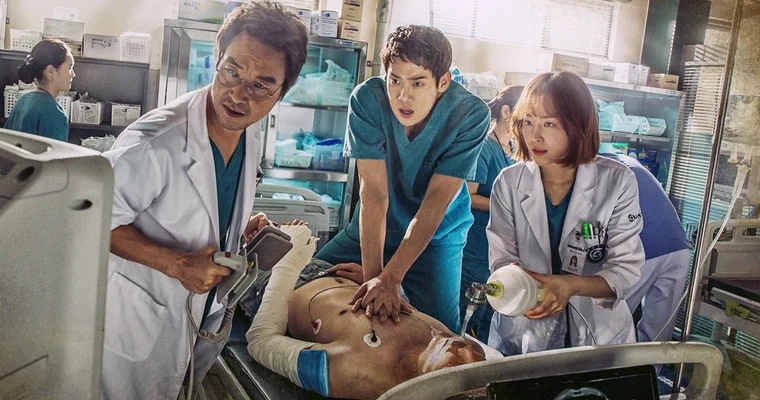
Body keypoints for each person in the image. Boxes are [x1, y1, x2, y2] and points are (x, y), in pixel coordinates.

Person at [100, 3, 308, 399]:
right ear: (217, 59)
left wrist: (237, 225)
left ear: (282, 91)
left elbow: (204, 203)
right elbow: (91, 220)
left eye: (261, 86)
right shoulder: (154, 142)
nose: (238, 95)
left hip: (197, 319)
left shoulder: (249, 132)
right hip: (136, 322)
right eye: (232, 71)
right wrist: (176, 264)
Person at [315, 25, 490, 333]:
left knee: (439, 333)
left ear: (443, 82)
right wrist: (374, 277)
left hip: (436, 239)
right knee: (304, 281)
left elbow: (436, 201)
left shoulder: (470, 115)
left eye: (417, 82)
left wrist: (391, 278)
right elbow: (373, 193)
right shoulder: (368, 100)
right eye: (394, 80)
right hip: (371, 230)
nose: (403, 96)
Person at [487, 72, 645, 356]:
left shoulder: (617, 181)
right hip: (526, 326)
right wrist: (524, 288)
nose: (535, 135)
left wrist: (571, 286)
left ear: (578, 127)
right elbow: (502, 258)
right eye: (528, 122)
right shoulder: (509, 182)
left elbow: (625, 269)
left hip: (597, 334)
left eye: (549, 123)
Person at [244, 224, 490, 400]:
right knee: (258, 224)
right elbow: (401, 314)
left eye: (461, 368)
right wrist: (381, 284)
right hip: (327, 269)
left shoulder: (354, 372)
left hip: (272, 285)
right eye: (479, 361)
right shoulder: (442, 344)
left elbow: (261, 341)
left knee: (235, 237)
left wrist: (290, 261)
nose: (466, 349)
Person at [600, 153, 691, 342]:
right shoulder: (625, 160)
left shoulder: (598, 169)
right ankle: (652, 364)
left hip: (644, 251)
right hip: (678, 247)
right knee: (659, 335)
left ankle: (607, 362)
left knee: (608, 326)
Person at [459, 85, 522, 342]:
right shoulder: (484, 148)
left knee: (492, 315)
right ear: (506, 112)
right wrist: (507, 206)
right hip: (476, 246)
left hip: (500, 248)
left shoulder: (514, 149)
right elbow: (469, 195)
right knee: (469, 315)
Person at [4, 39, 74, 142]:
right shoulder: (54, 113)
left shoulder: (23, 99)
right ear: (50, 71)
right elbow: (56, 152)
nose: (73, 74)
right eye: (69, 68)